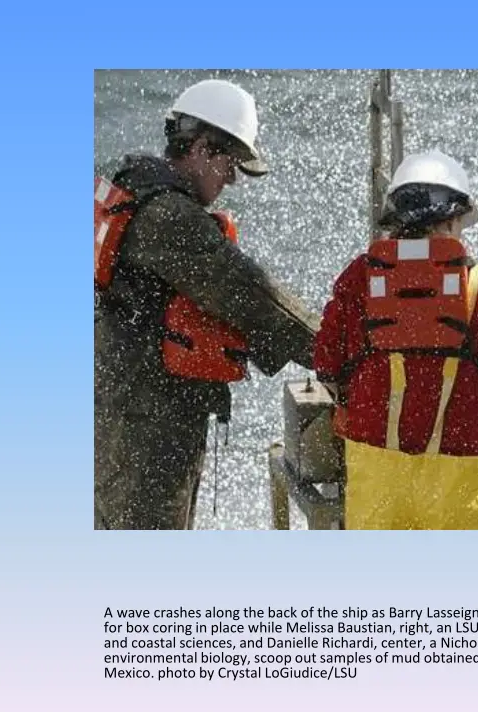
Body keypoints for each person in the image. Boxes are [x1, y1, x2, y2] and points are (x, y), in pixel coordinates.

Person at [94, 79, 319, 530]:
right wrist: (334, 345)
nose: (232, 178)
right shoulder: (170, 218)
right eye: (230, 163)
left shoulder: (138, 194)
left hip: (121, 411)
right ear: (200, 148)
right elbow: (252, 296)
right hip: (149, 426)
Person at [313, 150, 478, 529]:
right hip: (465, 476)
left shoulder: (359, 277)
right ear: (452, 219)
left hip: (377, 470)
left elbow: (326, 362)